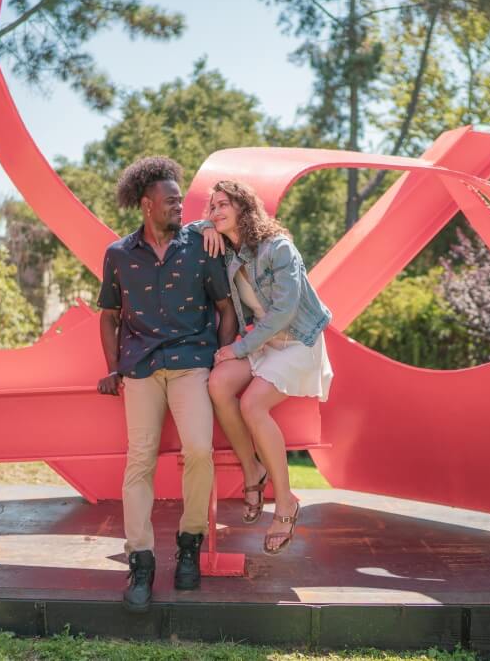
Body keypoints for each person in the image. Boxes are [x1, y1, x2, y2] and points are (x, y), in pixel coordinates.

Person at [96, 157, 237, 613]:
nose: (179, 205)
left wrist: (223, 359)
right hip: (139, 369)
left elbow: (226, 308)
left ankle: (190, 543)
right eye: (171, 199)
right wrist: (114, 366)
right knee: (139, 460)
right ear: (146, 204)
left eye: (181, 199)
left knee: (198, 449)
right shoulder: (118, 254)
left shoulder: (200, 245)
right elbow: (110, 316)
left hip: (192, 363)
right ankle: (140, 561)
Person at [188, 179, 333, 555]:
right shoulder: (228, 250)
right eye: (212, 206)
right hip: (265, 342)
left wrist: (239, 347)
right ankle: (252, 471)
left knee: (252, 404)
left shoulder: (278, 248)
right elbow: (185, 230)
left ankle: (285, 503)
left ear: (243, 208)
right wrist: (205, 227)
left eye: (224, 205)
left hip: (299, 342)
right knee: (218, 384)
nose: (216, 212)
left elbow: (285, 311)